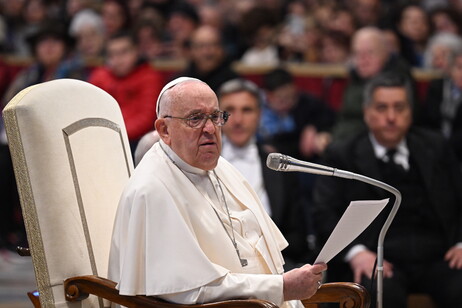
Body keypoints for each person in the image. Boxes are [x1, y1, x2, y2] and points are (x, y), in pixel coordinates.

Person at [108, 77, 327, 308]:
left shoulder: (220, 167)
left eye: (215, 116)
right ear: (164, 130)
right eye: (195, 118)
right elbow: (185, 290)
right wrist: (280, 288)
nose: (211, 129)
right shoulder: (151, 189)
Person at [313, 73, 462, 308]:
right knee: (378, 292)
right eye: (382, 108)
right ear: (366, 112)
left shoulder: (436, 146)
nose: (391, 117)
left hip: (439, 256)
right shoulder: (342, 154)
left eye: (399, 108)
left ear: (410, 112)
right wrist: (357, 252)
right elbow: (324, 212)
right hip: (376, 257)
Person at [218, 78, 314, 269]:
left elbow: (297, 233)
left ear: (259, 115)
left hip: (274, 264)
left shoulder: (281, 165)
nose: (237, 120)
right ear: (218, 116)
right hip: (219, 263)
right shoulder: (200, 164)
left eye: (247, 110)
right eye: (229, 111)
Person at [332, 27, 415, 140]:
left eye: (369, 53)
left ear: (385, 53)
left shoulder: (397, 82)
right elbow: (344, 118)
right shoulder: (354, 77)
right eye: (358, 54)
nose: (363, 59)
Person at [88, 31, 162, 153]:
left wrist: (114, 134)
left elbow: (147, 119)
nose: (118, 59)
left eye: (124, 52)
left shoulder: (149, 76)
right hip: (103, 138)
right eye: (112, 54)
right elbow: (88, 111)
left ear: (136, 51)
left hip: (135, 142)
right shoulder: (100, 76)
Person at [422, 50, 462, 165]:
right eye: (459, 67)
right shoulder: (437, 87)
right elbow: (427, 119)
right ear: (450, 69)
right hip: (433, 143)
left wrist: (445, 146)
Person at [178, 25, 239, 93]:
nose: (207, 52)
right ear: (191, 51)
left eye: (213, 45)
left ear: (222, 49)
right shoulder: (179, 84)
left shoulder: (235, 84)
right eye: (201, 46)